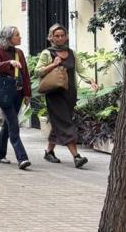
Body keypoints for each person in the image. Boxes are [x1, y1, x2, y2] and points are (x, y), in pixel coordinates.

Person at [36, 24, 96, 168]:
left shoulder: (72, 53)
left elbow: (81, 70)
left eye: (62, 35)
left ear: (66, 37)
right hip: (54, 95)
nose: (60, 38)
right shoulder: (47, 53)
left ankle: (49, 152)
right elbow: (38, 71)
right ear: (51, 37)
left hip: (69, 94)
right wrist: (53, 65)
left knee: (60, 123)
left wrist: (91, 81)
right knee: (66, 124)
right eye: (57, 36)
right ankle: (76, 156)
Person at [0, 26, 32, 170]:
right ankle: (22, 158)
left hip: (18, 93)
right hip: (5, 93)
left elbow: (25, 74)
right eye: (17, 35)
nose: (20, 37)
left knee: (8, 124)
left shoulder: (19, 52)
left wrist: (27, 94)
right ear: (8, 38)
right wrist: (9, 63)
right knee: (14, 125)